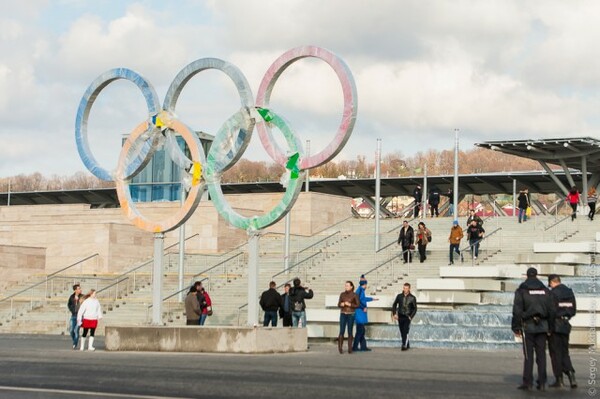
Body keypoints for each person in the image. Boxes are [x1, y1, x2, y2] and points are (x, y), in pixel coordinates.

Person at [511, 267, 554, 391]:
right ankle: (542, 382)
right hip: (543, 325)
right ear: (536, 275)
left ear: (527, 276)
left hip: (528, 325)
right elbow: (552, 310)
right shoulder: (545, 290)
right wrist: (550, 327)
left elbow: (517, 310)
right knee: (541, 355)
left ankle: (527, 382)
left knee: (528, 356)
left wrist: (516, 327)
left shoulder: (522, 290)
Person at [547, 274, 577, 389]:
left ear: (551, 283)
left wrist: (549, 328)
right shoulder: (569, 292)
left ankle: (559, 379)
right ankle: (571, 375)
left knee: (555, 353)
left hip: (555, 325)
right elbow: (573, 310)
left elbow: (551, 311)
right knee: (565, 352)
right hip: (565, 325)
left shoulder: (553, 293)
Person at [353, 276, 378, 352]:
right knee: (360, 331)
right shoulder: (359, 290)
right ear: (365, 284)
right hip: (359, 313)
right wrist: (363, 307)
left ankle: (363, 346)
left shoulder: (361, 290)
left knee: (361, 330)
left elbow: (363, 299)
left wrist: (372, 299)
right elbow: (357, 301)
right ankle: (355, 347)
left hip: (360, 313)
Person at [392, 283, 417, 351]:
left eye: (406, 288)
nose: (405, 289)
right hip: (400, 316)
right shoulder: (399, 296)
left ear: (409, 289)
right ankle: (407, 344)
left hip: (407, 316)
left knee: (405, 331)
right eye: (404, 288)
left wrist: (411, 316)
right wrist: (394, 313)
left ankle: (404, 345)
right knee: (402, 331)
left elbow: (415, 308)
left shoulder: (412, 298)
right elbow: (394, 305)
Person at [337, 281, 359, 354]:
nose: (346, 287)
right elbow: (338, 304)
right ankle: (340, 347)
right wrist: (341, 304)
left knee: (350, 331)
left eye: (347, 285)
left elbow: (358, 305)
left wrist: (350, 304)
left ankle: (350, 348)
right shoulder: (342, 294)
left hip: (351, 314)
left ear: (351, 286)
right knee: (341, 331)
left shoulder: (354, 295)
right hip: (343, 313)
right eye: (345, 285)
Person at [67, 284, 82, 349]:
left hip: (80, 316)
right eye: (78, 288)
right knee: (71, 330)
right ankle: (74, 340)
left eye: (80, 288)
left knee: (76, 330)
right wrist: (72, 310)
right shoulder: (72, 297)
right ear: (75, 290)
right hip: (73, 315)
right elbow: (69, 304)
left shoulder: (82, 296)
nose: (80, 289)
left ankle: (75, 344)